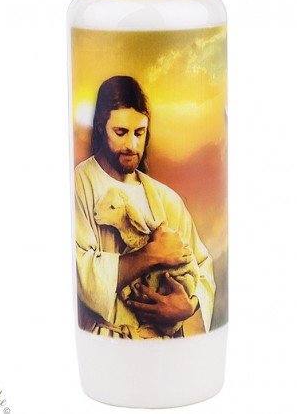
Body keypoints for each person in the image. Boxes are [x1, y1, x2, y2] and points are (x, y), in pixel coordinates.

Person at [74, 75, 215, 338]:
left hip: (165, 347)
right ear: (101, 128)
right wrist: (151, 254)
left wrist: (187, 307)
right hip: (108, 344)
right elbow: (81, 274)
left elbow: (202, 265)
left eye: (139, 133)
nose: (132, 145)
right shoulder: (79, 184)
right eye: (120, 133)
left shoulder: (166, 199)